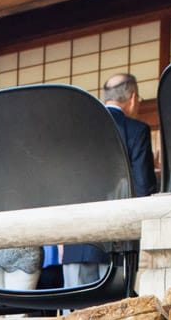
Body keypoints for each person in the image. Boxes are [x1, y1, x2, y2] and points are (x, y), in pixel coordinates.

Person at [62, 72, 157, 286]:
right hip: (118, 242)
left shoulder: (75, 134)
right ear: (133, 98)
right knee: (114, 313)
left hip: (75, 242)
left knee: (73, 314)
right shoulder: (136, 130)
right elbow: (144, 188)